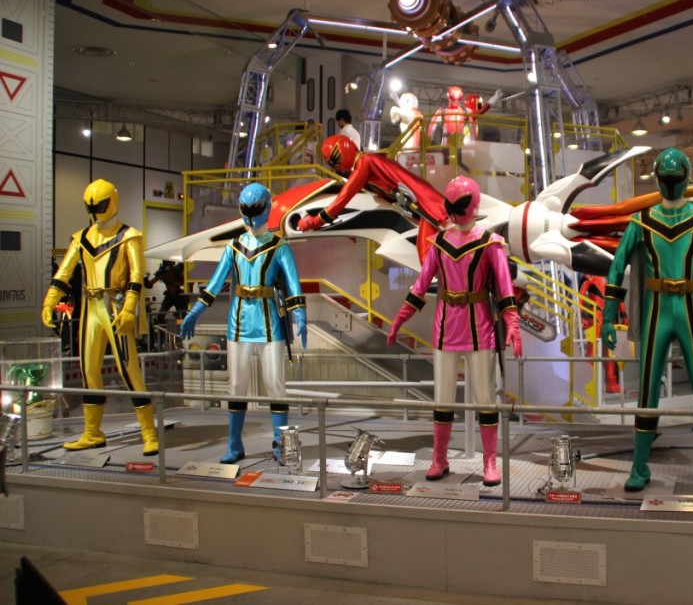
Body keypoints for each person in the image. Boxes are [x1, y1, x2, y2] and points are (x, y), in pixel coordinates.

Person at [600, 147, 693, 496]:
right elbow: (616, 268)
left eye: (674, 178)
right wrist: (607, 318)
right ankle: (640, 467)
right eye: (667, 179)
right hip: (657, 309)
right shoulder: (642, 221)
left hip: (688, 306)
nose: (671, 184)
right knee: (647, 390)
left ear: (685, 178)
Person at [387, 176, 523, 486]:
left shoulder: (490, 243)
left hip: (480, 328)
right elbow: (421, 285)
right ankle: (439, 458)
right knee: (443, 399)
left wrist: (513, 322)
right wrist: (400, 317)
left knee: (486, 399)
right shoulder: (439, 243)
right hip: (446, 329)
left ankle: (490, 462)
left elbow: (505, 288)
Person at [180, 183, 308, 464]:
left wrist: (300, 315)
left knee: (275, 384)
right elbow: (214, 284)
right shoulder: (234, 246)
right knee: (236, 386)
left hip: (270, 322)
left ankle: (282, 444)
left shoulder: (279, 247)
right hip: (238, 322)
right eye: (247, 209)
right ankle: (234, 444)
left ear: (267, 208)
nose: (250, 215)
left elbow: (293, 285)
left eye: (255, 209)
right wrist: (195, 311)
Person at [41, 179, 160, 455]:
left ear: (113, 202)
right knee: (89, 370)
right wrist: (50, 300)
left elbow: (136, 275)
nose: (95, 212)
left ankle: (149, 433)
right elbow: (64, 272)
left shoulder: (129, 236)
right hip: (91, 307)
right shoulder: (81, 238)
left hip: (116, 306)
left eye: (100, 205)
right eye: (90, 207)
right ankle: (92, 432)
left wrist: (129, 308)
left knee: (129, 369)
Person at [296, 134, 448, 264]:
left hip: (426, 205)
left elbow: (345, 195)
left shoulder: (365, 162)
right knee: (428, 256)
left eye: (333, 160)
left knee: (426, 258)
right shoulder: (367, 162)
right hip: (419, 207)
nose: (335, 166)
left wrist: (315, 221)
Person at [144, 260, 189, 326]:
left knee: (181, 316)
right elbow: (149, 284)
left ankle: (180, 329)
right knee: (160, 316)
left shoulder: (177, 270)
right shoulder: (162, 272)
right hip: (169, 296)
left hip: (178, 296)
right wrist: (145, 279)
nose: (169, 269)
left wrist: (171, 281)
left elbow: (182, 282)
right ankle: (162, 330)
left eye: (170, 267)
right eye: (168, 267)